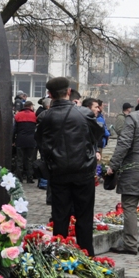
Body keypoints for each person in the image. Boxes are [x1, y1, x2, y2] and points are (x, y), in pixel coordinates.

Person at [35, 77, 103, 256]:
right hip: (83, 170)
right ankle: (86, 253)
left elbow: (39, 141)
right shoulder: (83, 113)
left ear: (49, 94)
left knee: (59, 216)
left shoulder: (44, 116)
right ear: (69, 91)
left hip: (57, 172)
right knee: (84, 216)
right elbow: (97, 134)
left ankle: (59, 253)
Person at [107, 92, 139, 255]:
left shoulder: (133, 117)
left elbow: (124, 143)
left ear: (138, 101)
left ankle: (130, 244)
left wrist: (113, 165)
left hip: (133, 168)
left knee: (129, 206)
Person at [14, 100, 37, 183]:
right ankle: (29, 178)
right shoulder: (34, 115)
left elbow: (14, 129)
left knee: (19, 160)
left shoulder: (18, 115)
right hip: (31, 140)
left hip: (20, 140)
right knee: (30, 160)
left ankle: (19, 178)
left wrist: (13, 140)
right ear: (30, 106)